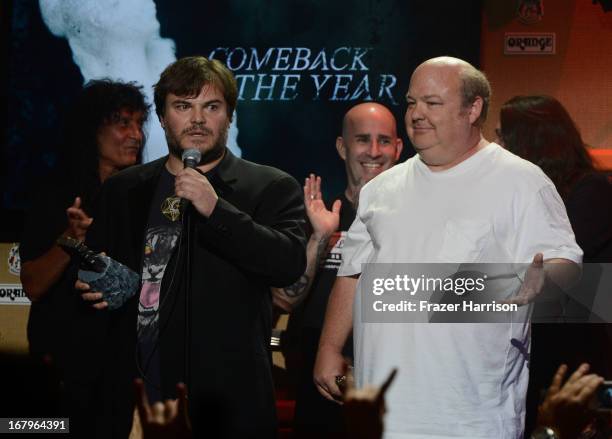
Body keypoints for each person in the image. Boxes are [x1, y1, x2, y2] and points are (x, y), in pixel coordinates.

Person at [314, 56, 583, 438]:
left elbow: (565, 259)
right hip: (379, 412)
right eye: (411, 102)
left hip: (471, 415)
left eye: (432, 103)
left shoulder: (520, 182)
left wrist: (545, 279)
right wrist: (329, 347)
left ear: (472, 109)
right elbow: (353, 271)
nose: (417, 114)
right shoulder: (381, 190)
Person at [75, 56, 306, 438]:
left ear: (228, 116)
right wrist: (92, 284)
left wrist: (216, 209)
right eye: (183, 106)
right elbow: (103, 274)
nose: (197, 120)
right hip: (140, 396)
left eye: (211, 107)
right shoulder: (123, 189)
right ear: (163, 118)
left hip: (228, 402)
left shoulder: (270, 186)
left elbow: (287, 264)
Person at [272, 102, 403, 437]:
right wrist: (319, 237)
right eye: (362, 140)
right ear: (342, 147)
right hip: (321, 384)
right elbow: (284, 301)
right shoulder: (317, 215)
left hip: (395, 383)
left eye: (384, 141)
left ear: (398, 148)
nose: (374, 151)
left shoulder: (418, 220)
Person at [497, 94, 612, 433]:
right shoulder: (525, 194)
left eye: (504, 135)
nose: (497, 144)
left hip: (574, 356)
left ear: (530, 141)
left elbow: (546, 267)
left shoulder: (589, 191)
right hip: (536, 348)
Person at [20, 79, 148, 367]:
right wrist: (72, 237)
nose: (136, 135)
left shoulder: (146, 199)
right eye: (123, 123)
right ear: (92, 130)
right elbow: (33, 286)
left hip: (122, 363)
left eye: (139, 124)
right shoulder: (55, 196)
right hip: (59, 362)